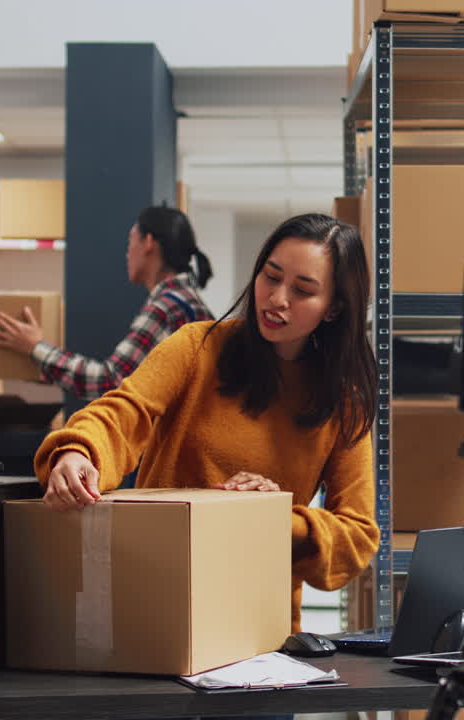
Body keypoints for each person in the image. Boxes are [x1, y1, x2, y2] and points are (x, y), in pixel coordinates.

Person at [33, 213, 379, 632]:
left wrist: (271, 516)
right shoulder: (197, 347)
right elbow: (124, 412)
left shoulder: (343, 401)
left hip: (259, 624)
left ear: (333, 309)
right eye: (271, 277)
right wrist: (76, 451)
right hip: (158, 598)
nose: (277, 298)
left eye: (303, 290)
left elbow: (357, 537)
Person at [0, 206, 215, 401]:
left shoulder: (166, 307)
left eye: (130, 242)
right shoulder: (189, 301)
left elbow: (111, 382)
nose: (127, 254)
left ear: (148, 243)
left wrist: (35, 348)